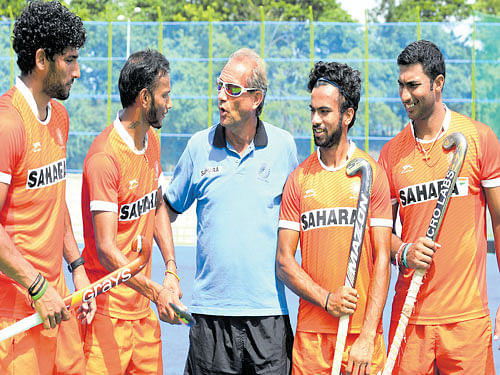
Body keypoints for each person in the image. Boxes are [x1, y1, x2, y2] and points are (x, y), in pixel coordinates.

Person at [164, 48, 298, 374]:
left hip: (268, 318)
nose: (222, 97)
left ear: (256, 98)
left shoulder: (284, 147)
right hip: (209, 318)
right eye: (220, 86)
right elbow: (163, 212)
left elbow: (301, 225)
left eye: (232, 89)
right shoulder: (199, 146)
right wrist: (169, 270)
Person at [378, 39, 500, 374]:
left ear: (438, 83)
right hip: (410, 319)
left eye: (413, 85)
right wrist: (404, 251)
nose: (405, 96)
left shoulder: (479, 138)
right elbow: (380, 238)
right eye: (401, 86)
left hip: (467, 323)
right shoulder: (391, 154)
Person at [276, 61, 392, 375]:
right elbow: (284, 261)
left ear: (347, 115)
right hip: (311, 341)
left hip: (360, 340)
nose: (315, 120)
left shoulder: (371, 174)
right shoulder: (299, 179)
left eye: (324, 112)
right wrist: (327, 300)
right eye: (312, 110)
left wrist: (368, 335)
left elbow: (383, 258)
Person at [0, 1, 95, 374]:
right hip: (17, 308)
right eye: (69, 60)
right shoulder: (8, 125)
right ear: (42, 59)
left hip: (57, 298)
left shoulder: (60, 117)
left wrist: (78, 267)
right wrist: (37, 287)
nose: (77, 70)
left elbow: (55, 200)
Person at [80, 49, 183, 375]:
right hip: (106, 318)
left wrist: (170, 269)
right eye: (165, 95)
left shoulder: (151, 140)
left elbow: (156, 207)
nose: (169, 103)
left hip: (143, 318)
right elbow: (107, 249)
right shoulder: (104, 157)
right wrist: (157, 292)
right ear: (144, 97)